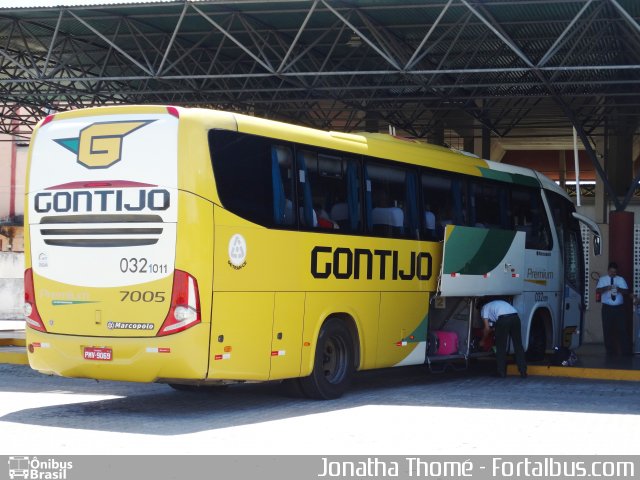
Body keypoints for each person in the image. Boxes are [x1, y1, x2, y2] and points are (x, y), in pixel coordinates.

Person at [479, 298, 528, 378]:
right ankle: (523, 371)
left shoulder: (484, 308)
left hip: (503, 319)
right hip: (515, 318)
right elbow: (496, 326)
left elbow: (487, 328)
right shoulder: (496, 303)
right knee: (518, 345)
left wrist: (482, 341)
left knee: (501, 346)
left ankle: (501, 372)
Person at [596, 262, 630, 356]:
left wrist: (618, 289)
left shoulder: (620, 279)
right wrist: (607, 288)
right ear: (608, 270)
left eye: (615, 272)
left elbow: (626, 291)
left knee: (622, 329)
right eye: (611, 271)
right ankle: (610, 351)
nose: (613, 273)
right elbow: (598, 290)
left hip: (619, 308)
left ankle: (625, 351)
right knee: (607, 329)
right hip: (607, 308)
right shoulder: (603, 279)